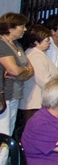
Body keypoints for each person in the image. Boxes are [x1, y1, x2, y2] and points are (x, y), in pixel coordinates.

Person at [1, 12, 34, 142]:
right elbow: (13, 70)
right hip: (5, 96)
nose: (25, 29)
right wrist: (21, 72)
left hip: (15, 95)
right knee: (3, 134)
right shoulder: (2, 44)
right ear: (10, 28)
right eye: (22, 26)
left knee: (9, 132)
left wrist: (22, 73)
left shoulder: (17, 45)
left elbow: (31, 70)